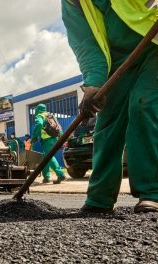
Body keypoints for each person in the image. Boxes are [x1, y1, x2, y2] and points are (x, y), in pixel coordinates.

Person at [62, 1, 158, 213]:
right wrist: (94, 82)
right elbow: (85, 43)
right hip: (116, 60)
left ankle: (152, 191)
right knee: (107, 123)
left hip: (154, 44)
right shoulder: (71, 3)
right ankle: (100, 198)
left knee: (143, 105)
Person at [31, 104, 66, 184]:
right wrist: (61, 137)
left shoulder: (40, 116)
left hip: (47, 140)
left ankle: (60, 174)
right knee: (44, 157)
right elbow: (58, 126)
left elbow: (39, 124)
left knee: (49, 156)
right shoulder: (51, 115)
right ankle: (46, 177)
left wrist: (34, 136)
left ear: (37, 110)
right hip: (55, 138)